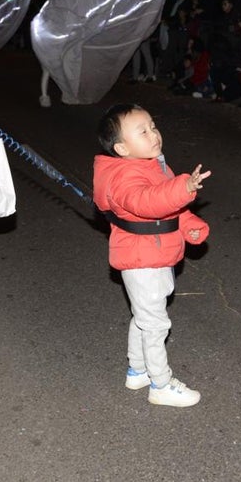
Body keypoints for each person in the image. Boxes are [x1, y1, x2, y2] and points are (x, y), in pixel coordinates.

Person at [92, 103, 210, 408]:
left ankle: (138, 370)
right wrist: (183, 188)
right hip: (142, 260)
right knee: (156, 324)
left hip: (155, 253)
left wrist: (189, 224)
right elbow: (148, 202)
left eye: (153, 126)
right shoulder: (123, 176)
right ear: (122, 148)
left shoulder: (152, 165)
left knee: (144, 317)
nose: (153, 134)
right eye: (142, 131)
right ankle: (161, 384)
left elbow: (168, 209)